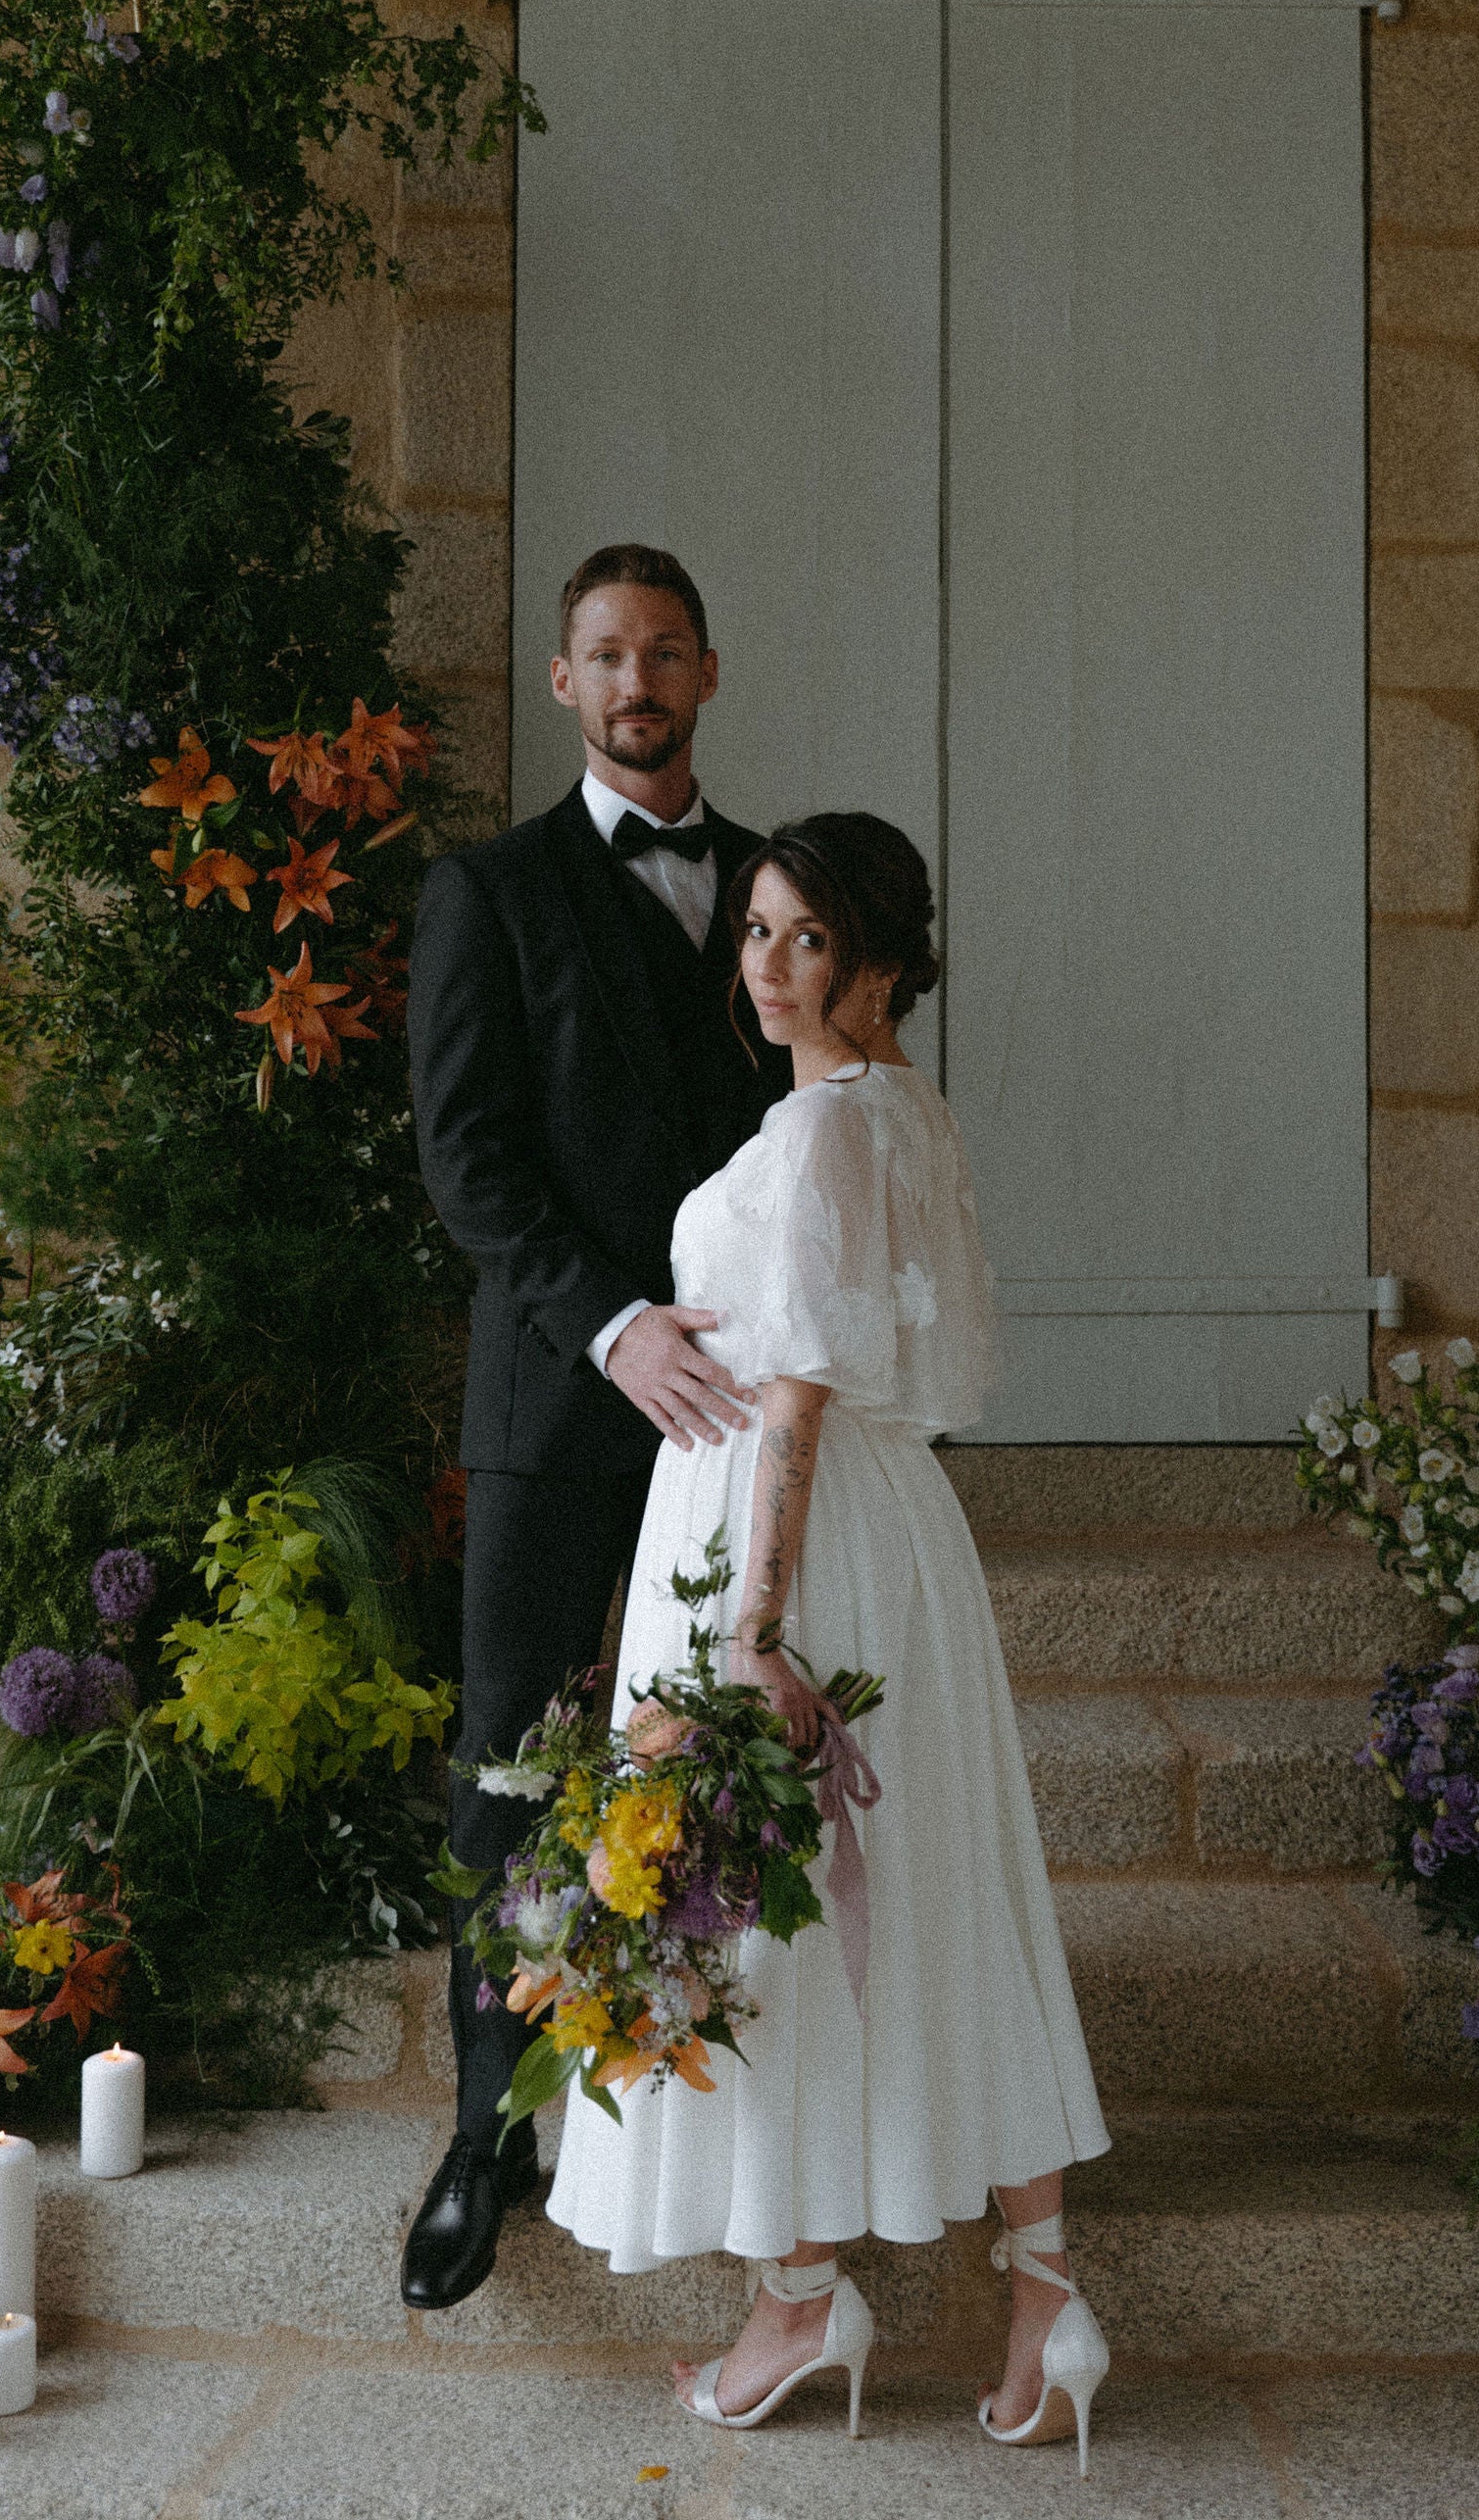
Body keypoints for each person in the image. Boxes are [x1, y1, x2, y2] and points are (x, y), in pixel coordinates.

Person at [546, 812, 1112, 2468]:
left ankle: (799, 2301)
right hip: (894, 1534)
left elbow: (793, 1392)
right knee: (941, 1897)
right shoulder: (903, 1111)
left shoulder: (817, 1134)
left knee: (767, 1920)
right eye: (757, 932)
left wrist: (754, 1627)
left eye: (810, 939)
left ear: (882, 960)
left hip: (790, 1549)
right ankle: (1045, 2299)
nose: (771, 968)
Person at [402, 543, 792, 2308]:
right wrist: (617, 1325)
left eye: (666, 652)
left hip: (743, 1413)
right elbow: (468, 1163)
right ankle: (487, 2133)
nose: (638, 681)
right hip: (560, 1404)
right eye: (607, 655)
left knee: (725, 1750)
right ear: (565, 681)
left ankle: (739, 2126)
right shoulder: (487, 893)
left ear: (706, 673)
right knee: (513, 1766)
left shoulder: (782, 889)